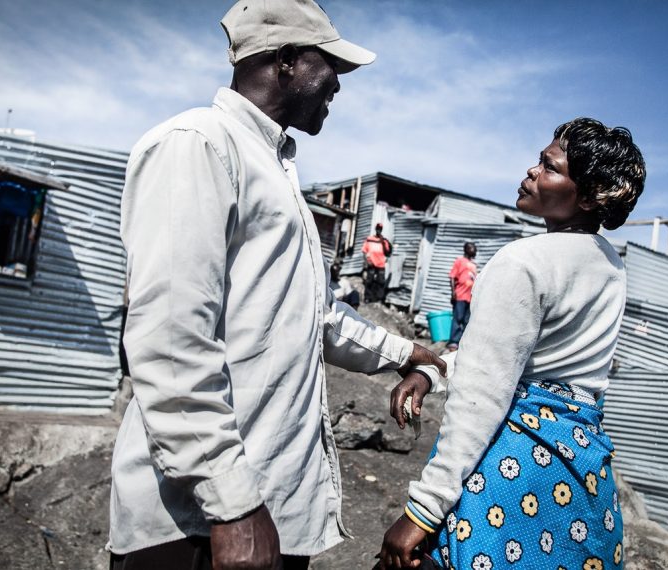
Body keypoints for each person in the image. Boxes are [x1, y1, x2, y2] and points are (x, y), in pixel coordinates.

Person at [108, 2, 446, 569]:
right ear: (287, 61)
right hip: (200, 525)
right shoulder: (199, 144)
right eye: (329, 63)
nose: (338, 82)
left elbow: (315, 315)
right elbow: (170, 340)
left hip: (266, 514)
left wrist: (409, 353)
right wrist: (232, 506)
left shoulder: (273, 165)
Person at [376, 118, 646, 570]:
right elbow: (518, 357)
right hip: (579, 468)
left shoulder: (524, 261)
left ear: (587, 196)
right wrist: (433, 371)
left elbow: (484, 392)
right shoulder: (610, 266)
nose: (531, 171)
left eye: (550, 166)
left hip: (515, 461)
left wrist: (422, 511)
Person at [446, 242, 477, 350]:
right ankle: (453, 342)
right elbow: (452, 277)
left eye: (474, 248)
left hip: (470, 297)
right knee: (457, 318)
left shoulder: (473, 265)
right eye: (471, 248)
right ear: (466, 249)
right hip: (460, 295)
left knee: (466, 321)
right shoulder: (459, 261)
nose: (474, 250)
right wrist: (453, 292)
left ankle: (462, 342)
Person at [362, 222, 392, 302]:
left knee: (380, 282)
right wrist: (366, 261)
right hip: (371, 263)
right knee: (369, 281)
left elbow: (388, 252)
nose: (379, 230)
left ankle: (379, 299)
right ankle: (367, 298)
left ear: (381, 230)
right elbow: (364, 251)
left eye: (380, 229)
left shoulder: (384, 241)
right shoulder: (369, 239)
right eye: (378, 229)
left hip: (381, 264)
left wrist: (385, 242)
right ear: (376, 229)